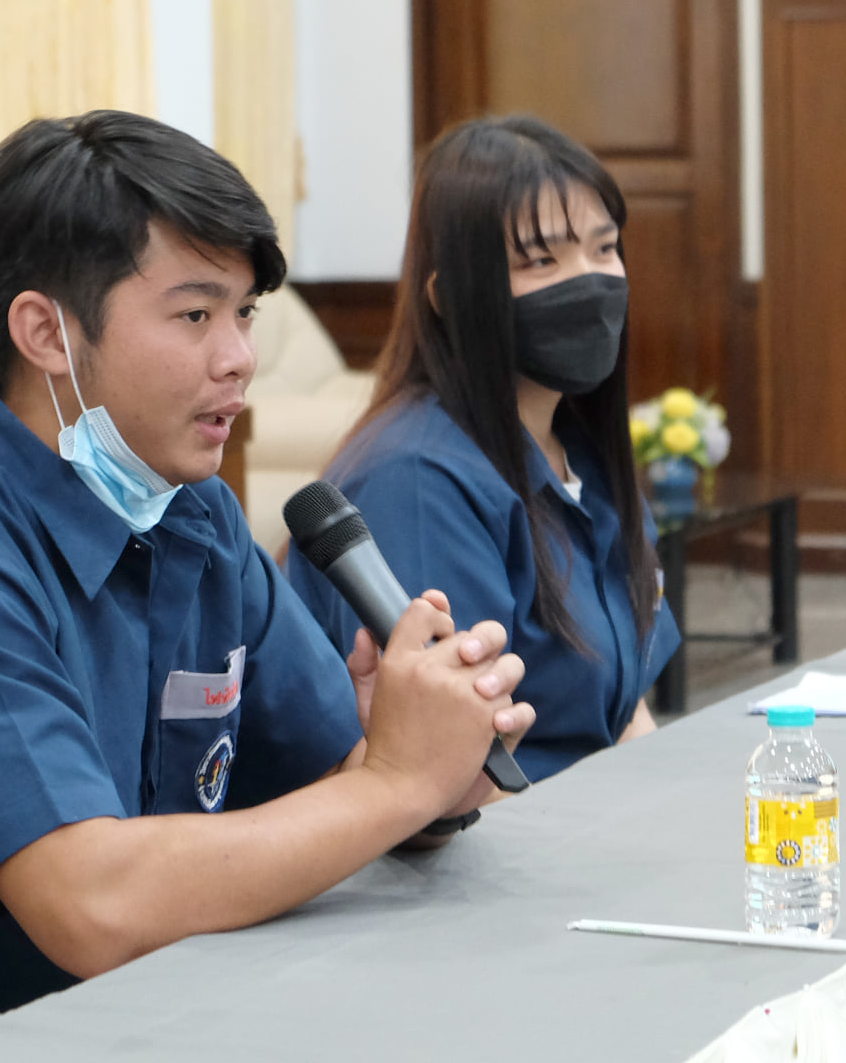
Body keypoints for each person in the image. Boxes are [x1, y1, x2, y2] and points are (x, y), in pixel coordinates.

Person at [0, 111, 532, 1062]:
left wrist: (422, 764)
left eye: (245, 313)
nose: (240, 357)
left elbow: (336, 787)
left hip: (122, 1020)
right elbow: (94, 903)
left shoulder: (190, 515)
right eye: (194, 314)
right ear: (47, 332)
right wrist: (393, 785)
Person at [285, 114, 680, 784]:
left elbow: (622, 709)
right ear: (450, 297)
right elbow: (461, 769)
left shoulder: (580, 449)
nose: (588, 280)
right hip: (484, 851)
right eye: (541, 260)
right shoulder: (416, 481)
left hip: (593, 823)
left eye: (604, 248)